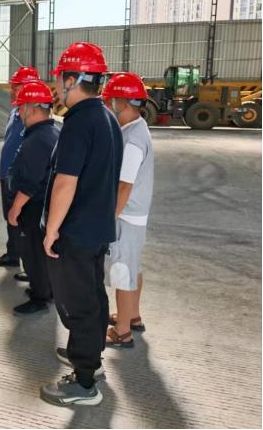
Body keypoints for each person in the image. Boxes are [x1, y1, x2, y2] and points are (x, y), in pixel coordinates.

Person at [39, 42, 123, 407]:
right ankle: (89, 356)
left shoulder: (78, 122)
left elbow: (65, 182)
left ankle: (84, 383)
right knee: (94, 296)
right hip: (97, 227)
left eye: (61, 78)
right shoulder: (106, 117)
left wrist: (51, 230)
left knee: (78, 303)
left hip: (76, 230)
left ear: (73, 79)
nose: (57, 85)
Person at [101, 72, 154, 347]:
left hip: (126, 215)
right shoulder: (135, 128)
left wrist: (109, 218)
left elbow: (124, 185)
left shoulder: (132, 138)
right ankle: (131, 315)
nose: (108, 105)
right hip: (135, 215)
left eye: (110, 100)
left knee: (122, 271)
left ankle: (121, 332)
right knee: (134, 267)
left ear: (122, 102)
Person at [6, 79, 60, 314]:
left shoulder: (38, 139)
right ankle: (47, 289)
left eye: (21, 107)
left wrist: (15, 208)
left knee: (34, 253)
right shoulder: (51, 132)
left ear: (33, 108)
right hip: (45, 205)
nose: (18, 112)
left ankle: (40, 297)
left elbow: (31, 182)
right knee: (41, 253)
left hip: (34, 206)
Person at [0, 67, 39, 273]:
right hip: (7, 175)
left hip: (20, 177)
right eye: (12, 86)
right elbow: (10, 142)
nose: (12, 90)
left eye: (16, 87)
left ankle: (31, 266)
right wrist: (1, 168)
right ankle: (13, 254)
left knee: (23, 220)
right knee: (9, 217)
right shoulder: (14, 112)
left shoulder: (33, 115)